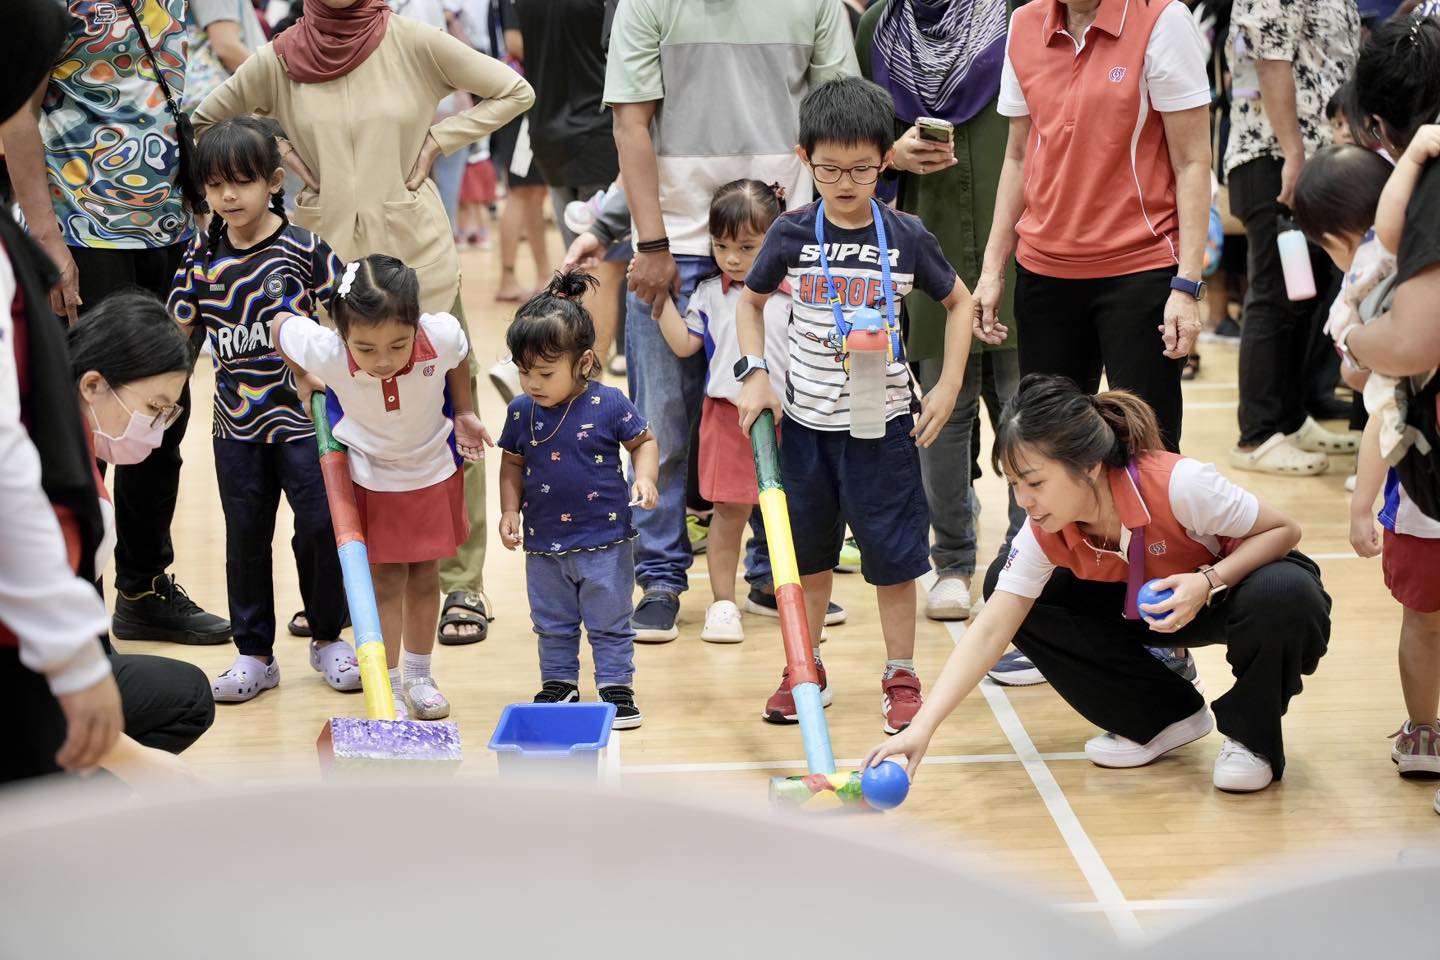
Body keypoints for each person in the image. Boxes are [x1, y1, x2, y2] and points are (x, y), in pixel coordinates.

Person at [196, 0, 534, 646]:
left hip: (419, 267)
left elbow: (513, 89)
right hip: (327, 269)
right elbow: (211, 115)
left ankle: (461, 582)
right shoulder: (281, 57)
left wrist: (440, 138)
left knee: (446, 418)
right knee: (338, 429)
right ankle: (353, 582)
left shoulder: (416, 43)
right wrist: (282, 153)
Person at [863, 375, 1331, 793]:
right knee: (1011, 588)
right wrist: (922, 727)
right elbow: (990, 629)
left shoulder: (1180, 485)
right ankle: (1161, 718)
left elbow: (1282, 531)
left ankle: (1253, 741)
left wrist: (1208, 581)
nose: (1024, 500)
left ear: (1088, 466)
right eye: (1014, 486)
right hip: (1141, 607)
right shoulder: (1044, 527)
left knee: (1288, 594)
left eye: (1035, 483)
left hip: (1227, 590)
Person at [604, 0, 858, 643]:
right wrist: (653, 245)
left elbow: (838, 112)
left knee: (788, 418)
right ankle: (661, 578)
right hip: (679, 239)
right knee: (661, 422)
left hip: (785, 236)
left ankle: (772, 573)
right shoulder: (646, 6)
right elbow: (630, 126)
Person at [736, 78, 974, 733]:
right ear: (803, 157)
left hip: (884, 431)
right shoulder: (789, 234)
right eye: (830, 168)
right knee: (809, 560)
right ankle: (804, 666)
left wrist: (949, 384)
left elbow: (961, 304)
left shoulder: (906, 235)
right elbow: (749, 303)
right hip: (806, 432)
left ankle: (901, 673)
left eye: (863, 168)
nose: (846, 181)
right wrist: (756, 374)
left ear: (884, 160)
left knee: (894, 564)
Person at [0, 0, 233, 647]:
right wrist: (46, 240)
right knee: (85, 414)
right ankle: (78, 595)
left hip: (174, 231)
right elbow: (15, 114)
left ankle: (144, 586)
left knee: (163, 415)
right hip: (84, 233)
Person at [168, 118, 360, 703]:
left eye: (243, 182)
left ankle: (329, 637)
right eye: (216, 185)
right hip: (236, 429)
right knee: (245, 536)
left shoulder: (304, 249)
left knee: (322, 529)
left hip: (307, 425)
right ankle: (255, 654)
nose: (229, 196)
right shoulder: (200, 261)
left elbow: (353, 313)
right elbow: (178, 337)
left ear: (273, 182)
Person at [974, 0, 1213, 454]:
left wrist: (1187, 285)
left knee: (1146, 451)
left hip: (1139, 272)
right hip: (1045, 276)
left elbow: (1193, 162)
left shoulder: (1161, 19)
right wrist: (992, 269)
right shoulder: (1024, 24)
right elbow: (1017, 156)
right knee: (1049, 451)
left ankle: (1151, 530)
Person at [856, 0, 1026, 624]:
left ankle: (1023, 555)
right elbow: (858, 137)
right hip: (926, 246)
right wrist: (893, 155)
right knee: (939, 417)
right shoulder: (879, 25)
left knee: (1024, 406)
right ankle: (952, 559)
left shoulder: (1016, 15)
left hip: (1018, 241)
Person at [274, 255, 491, 720]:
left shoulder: (442, 333)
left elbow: (456, 358)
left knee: (426, 573)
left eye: (398, 344)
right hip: (371, 476)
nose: (384, 361)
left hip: (433, 469)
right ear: (343, 336)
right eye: (366, 349)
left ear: (417, 325)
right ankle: (387, 682)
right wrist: (303, 377)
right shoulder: (328, 351)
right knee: (388, 579)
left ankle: (419, 676)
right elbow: (279, 325)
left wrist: (466, 410)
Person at [1294, 139, 1440, 783]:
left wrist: (1361, 505)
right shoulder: (1384, 279)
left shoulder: (1375, 274)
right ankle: (1424, 731)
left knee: (1423, 620)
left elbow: (1371, 395)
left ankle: (1424, 732)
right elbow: (1370, 391)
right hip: (1418, 493)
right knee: (1423, 618)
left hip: (1416, 491)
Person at [497, 271, 659, 729]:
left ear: (584, 362)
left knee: (610, 618)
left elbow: (645, 441)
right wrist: (510, 509)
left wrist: (644, 478)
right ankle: (559, 682)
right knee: (551, 620)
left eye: (545, 373)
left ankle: (615, 687)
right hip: (544, 543)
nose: (532, 383)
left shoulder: (608, 403)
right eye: (524, 371)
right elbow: (511, 463)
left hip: (606, 538)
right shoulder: (520, 411)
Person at [1223, 0, 1361, 477]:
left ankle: (1290, 417)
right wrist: (1292, 153)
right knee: (1276, 296)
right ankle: (1257, 435)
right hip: (1275, 158)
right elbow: (1271, 60)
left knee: (1308, 295)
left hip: (1320, 159)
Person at [653, 181, 791, 643]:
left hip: (791, 421)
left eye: (747, 246)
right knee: (729, 514)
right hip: (729, 419)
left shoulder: (797, 292)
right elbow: (685, 344)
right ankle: (723, 603)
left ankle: (785, 593)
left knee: (788, 513)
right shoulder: (711, 293)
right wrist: (659, 305)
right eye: (721, 246)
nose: (732, 257)